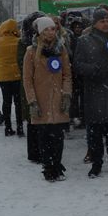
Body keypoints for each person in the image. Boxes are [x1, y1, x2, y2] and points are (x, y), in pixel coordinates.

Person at [74, 8, 108, 178]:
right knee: (94, 133)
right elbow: (77, 64)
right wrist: (92, 70)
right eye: (102, 21)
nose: (106, 24)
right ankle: (96, 164)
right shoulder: (84, 41)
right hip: (94, 90)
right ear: (95, 23)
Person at [23, 17, 72, 182]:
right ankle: (48, 167)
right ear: (40, 31)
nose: (51, 32)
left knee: (58, 136)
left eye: (53, 29)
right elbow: (27, 79)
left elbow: (67, 75)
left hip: (58, 98)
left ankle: (57, 165)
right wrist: (32, 101)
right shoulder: (31, 51)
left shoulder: (61, 49)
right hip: (41, 100)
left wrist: (66, 94)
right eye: (47, 29)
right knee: (44, 137)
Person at [18, 11, 46, 163]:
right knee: (33, 120)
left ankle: (42, 150)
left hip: (45, 86)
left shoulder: (48, 42)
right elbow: (22, 66)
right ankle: (34, 153)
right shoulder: (24, 44)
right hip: (30, 86)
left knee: (42, 120)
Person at [0, 19, 23, 137]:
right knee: (18, 103)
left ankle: (8, 128)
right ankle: (20, 128)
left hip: (3, 77)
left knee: (6, 101)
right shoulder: (19, 41)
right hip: (17, 75)